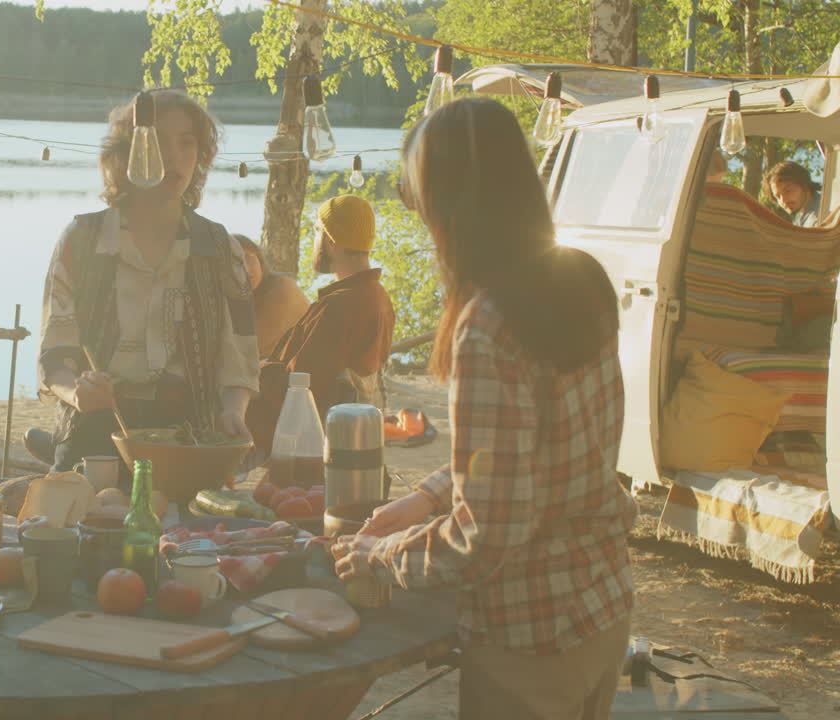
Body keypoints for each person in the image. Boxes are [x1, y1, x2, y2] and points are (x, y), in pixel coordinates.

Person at [333, 99, 636, 720]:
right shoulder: (580, 277)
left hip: (530, 637)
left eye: (419, 203)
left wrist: (378, 557)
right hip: (602, 604)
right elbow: (543, 451)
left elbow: (486, 538)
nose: (421, 222)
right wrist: (426, 499)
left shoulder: (487, 325)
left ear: (452, 205)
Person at [35, 89, 259, 476]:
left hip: (190, 438)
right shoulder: (83, 238)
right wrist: (78, 393)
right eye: (157, 141)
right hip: (95, 433)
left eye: (186, 143)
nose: (174, 157)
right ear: (126, 154)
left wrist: (232, 412)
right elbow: (55, 354)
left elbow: (239, 357)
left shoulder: (220, 247)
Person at [246, 194, 394, 452]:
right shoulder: (377, 296)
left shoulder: (340, 306)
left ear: (332, 242)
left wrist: (255, 371)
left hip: (310, 445)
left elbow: (300, 386)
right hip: (346, 436)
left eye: (317, 231)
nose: (315, 240)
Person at [232, 233, 309, 358]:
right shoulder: (232, 303)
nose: (246, 269)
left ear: (260, 260)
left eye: (249, 258)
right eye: (236, 263)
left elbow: (250, 350)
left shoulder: (282, 287)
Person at [766, 160, 823, 227]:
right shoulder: (800, 218)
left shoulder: (823, 211)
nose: (783, 200)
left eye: (788, 190)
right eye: (777, 196)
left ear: (804, 184)